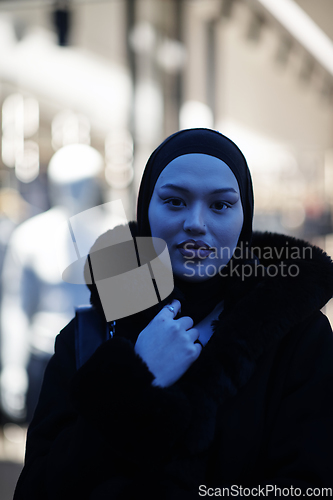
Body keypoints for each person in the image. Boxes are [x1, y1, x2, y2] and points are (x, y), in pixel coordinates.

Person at [14, 129, 333, 499]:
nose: (196, 223)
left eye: (220, 205)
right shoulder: (93, 333)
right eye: (175, 202)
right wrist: (135, 380)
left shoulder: (299, 339)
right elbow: (38, 487)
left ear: (244, 218)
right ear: (146, 209)